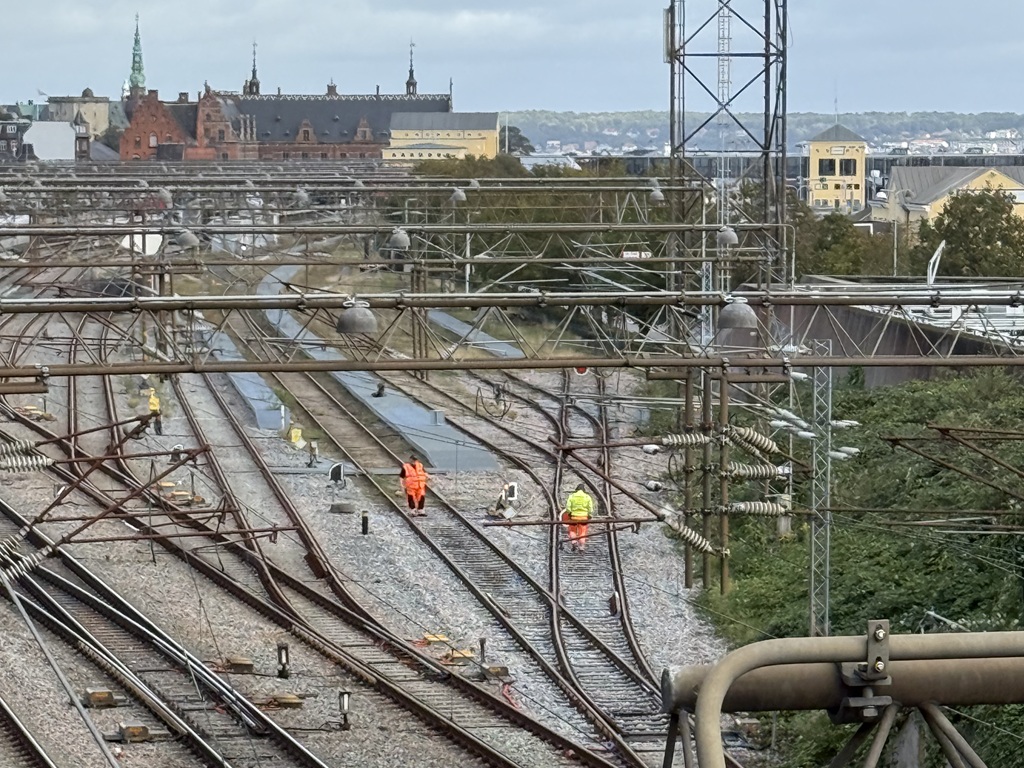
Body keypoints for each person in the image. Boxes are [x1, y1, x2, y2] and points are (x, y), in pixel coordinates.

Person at [562, 483, 594, 552]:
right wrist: (588, 514)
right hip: (583, 518)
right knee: (582, 532)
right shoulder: (587, 497)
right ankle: (581, 547)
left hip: (574, 517)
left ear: (576, 490)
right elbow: (590, 509)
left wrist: (570, 513)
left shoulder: (572, 496)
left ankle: (574, 542)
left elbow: (568, 508)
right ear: (584, 490)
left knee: (572, 530)